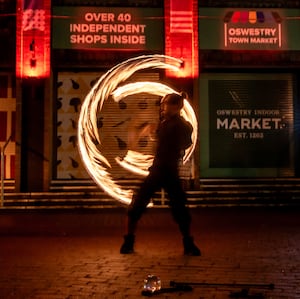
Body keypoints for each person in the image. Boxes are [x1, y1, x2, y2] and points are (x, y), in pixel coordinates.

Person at [120, 92, 201, 256]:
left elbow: (185, 142)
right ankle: (129, 241)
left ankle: (129, 242)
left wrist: (155, 130)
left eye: (166, 105)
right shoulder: (165, 123)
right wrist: (152, 131)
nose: (163, 108)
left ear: (177, 107)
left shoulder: (179, 125)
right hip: (160, 170)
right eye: (162, 105)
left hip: (167, 171)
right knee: (141, 205)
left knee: (177, 209)